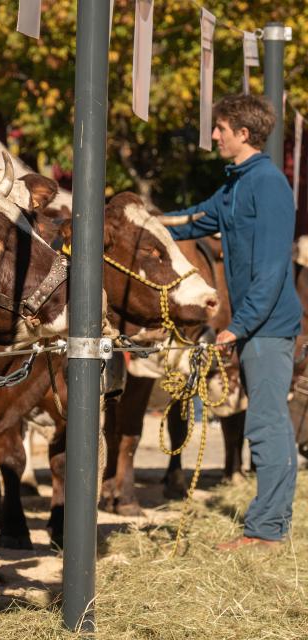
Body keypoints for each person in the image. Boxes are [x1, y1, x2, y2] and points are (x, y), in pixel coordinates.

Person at [164, 93, 301, 550]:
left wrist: (237, 326)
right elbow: (190, 221)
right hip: (255, 328)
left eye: (220, 128)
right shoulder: (235, 185)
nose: (214, 135)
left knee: (265, 425)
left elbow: (271, 269)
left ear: (244, 133)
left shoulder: (268, 184)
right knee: (268, 422)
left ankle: (266, 532)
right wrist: (138, 220)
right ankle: (270, 525)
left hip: (268, 328)